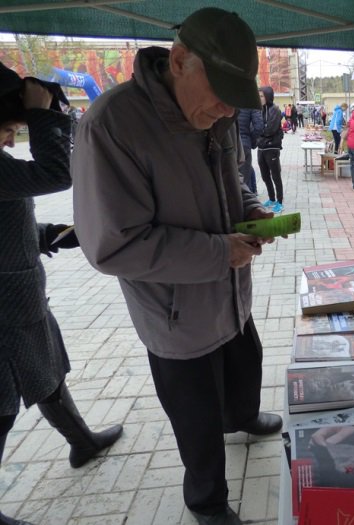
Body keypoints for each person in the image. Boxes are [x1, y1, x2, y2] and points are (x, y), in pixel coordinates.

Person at [70, 9, 283, 525]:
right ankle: (205, 500)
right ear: (180, 60)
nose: (228, 111)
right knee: (196, 418)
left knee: (243, 366)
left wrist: (249, 208)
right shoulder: (111, 124)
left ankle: (243, 415)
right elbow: (113, 247)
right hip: (175, 312)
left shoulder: (216, 112)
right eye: (220, 93)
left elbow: (233, 178)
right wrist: (218, 253)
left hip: (229, 292)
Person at [0, 63, 123, 525]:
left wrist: (48, 233)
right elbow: (56, 172)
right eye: (10, 129)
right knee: (1, 406)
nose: (12, 141)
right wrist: (42, 115)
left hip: (19, 299)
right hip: (5, 311)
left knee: (48, 372)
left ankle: (82, 443)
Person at [257, 86, 285, 213]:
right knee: (264, 176)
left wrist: (260, 132)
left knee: (275, 175)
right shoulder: (260, 110)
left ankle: (279, 202)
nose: (260, 98)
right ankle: (271, 198)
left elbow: (270, 130)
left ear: (268, 96)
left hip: (272, 147)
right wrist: (260, 133)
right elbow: (255, 127)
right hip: (261, 148)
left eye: (262, 96)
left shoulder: (275, 110)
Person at [237, 102, 264, 195]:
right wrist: (251, 141)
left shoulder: (226, 98)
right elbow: (259, 127)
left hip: (226, 144)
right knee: (244, 181)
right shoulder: (250, 101)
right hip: (244, 144)